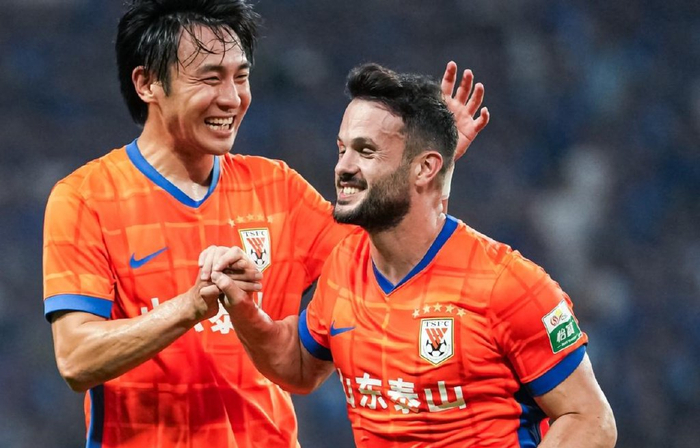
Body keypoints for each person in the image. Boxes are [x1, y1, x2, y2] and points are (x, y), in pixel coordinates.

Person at [42, 1, 489, 447]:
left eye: (240, 77)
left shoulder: (276, 188)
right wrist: (190, 307)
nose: (232, 98)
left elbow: (389, 255)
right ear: (148, 83)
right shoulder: (85, 198)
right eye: (210, 78)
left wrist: (427, 165)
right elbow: (77, 358)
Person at [206, 63, 617, 447]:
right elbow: (297, 366)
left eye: (365, 152)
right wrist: (244, 309)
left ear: (425, 169)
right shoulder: (343, 266)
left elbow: (591, 420)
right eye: (342, 149)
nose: (343, 167)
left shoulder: (508, 285)